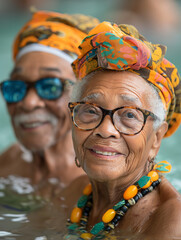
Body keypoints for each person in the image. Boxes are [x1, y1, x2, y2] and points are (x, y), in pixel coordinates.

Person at [63, 22, 181, 239]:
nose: (105, 129)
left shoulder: (171, 223)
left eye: (129, 115)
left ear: (156, 138)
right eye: (90, 110)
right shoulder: (73, 192)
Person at [0, 10, 99, 187]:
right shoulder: (10, 162)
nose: (28, 103)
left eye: (50, 87)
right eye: (17, 86)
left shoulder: (100, 186)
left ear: (87, 97)